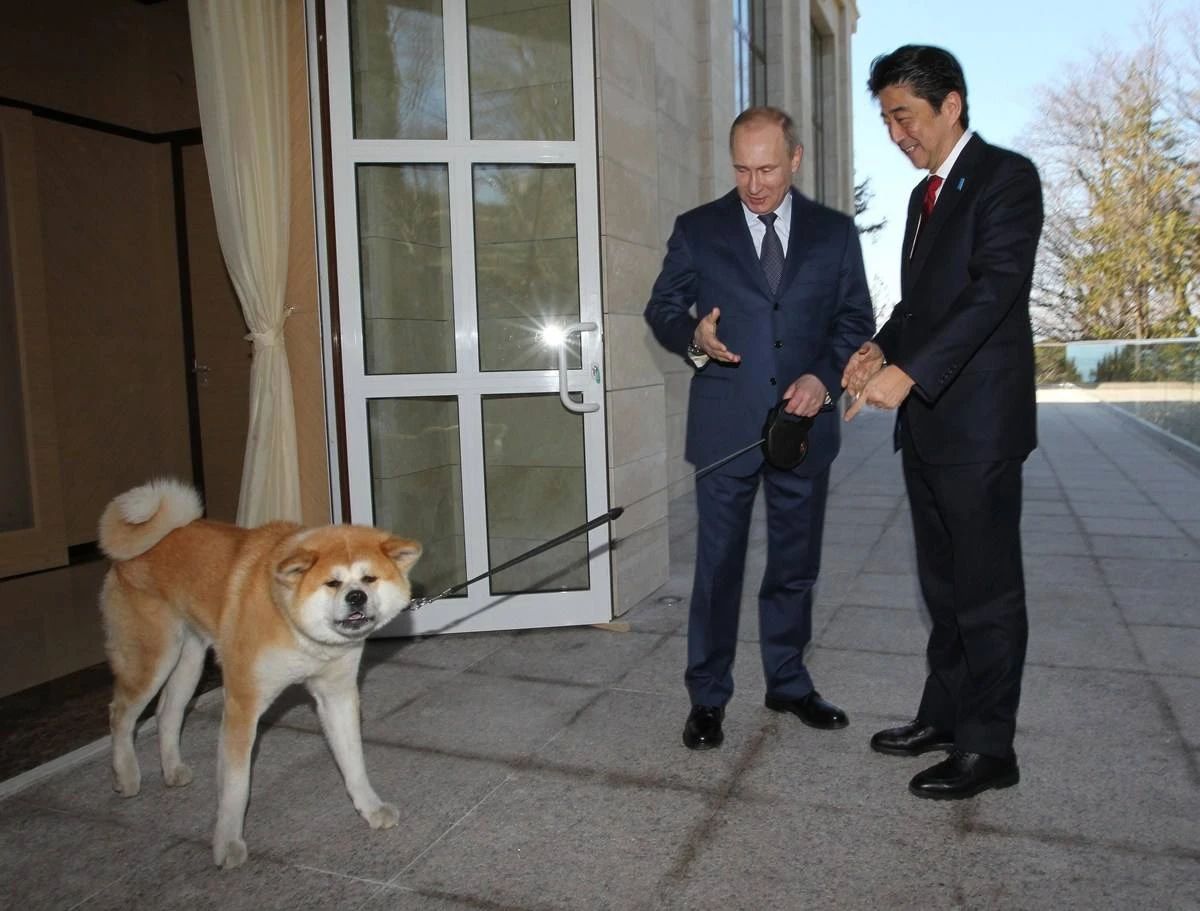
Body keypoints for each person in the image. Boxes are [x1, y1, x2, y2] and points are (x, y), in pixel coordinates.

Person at [842, 45, 1043, 798]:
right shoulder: (923, 198)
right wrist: (879, 348)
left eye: (905, 117)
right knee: (944, 587)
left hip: (980, 427)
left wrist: (911, 372)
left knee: (986, 592)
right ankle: (946, 715)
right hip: (928, 428)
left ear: (950, 104)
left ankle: (990, 748)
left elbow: (993, 291)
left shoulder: (1006, 178)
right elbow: (920, 307)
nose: (897, 134)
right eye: (887, 121)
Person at [645, 106, 874, 750]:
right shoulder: (698, 229)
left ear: (794, 159)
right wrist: (694, 337)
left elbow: (856, 319)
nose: (754, 184)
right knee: (717, 569)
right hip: (725, 429)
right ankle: (707, 696)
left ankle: (789, 682)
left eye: (767, 169)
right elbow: (662, 308)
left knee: (795, 566)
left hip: (805, 428)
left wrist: (824, 377)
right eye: (742, 169)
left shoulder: (834, 233)